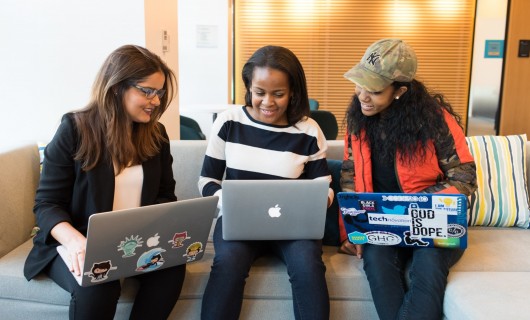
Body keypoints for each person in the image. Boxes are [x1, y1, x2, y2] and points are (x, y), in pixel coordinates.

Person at [23, 45, 185, 320]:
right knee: (100, 282)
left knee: (171, 270)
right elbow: (47, 204)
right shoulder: (74, 129)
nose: (156, 101)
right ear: (116, 87)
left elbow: (165, 197)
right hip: (76, 243)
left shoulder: (156, 135)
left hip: (135, 242)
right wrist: (76, 242)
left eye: (159, 93)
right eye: (147, 91)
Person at [338, 39, 477, 320]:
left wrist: (413, 205)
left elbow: (464, 179)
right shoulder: (358, 121)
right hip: (381, 223)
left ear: (400, 91)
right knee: (376, 263)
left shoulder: (436, 121)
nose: (362, 95)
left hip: (433, 221)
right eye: (359, 84)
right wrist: (350, 232)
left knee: (428, 267)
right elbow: (350, 177)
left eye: (374, 90)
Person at [199, 45, 332, 320]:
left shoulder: (308, 130)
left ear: (293, 91)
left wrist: (319, 201)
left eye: (278, 94)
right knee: (228, 263)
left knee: (308, 264)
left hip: (293, 226)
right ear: (249, 87)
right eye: (259, 92)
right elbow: (207, 181)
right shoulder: (229, 122)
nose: (268, 102)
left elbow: (325, 187)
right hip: (238, 222)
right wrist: (231, 202)